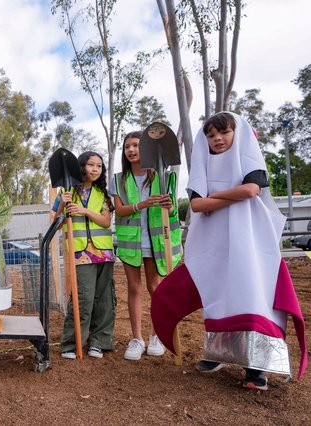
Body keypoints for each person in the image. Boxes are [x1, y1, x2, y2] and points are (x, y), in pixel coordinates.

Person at [151, 112, 307, 391]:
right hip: (216, 244)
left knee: (251, 296)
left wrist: (215, 197)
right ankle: (217, 353)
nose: (217, 139)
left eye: (224, 133)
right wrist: (223, 196)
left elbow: (251, 190)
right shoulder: (205, 166)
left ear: (238, 134)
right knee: (219, 296)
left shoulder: (249, 160)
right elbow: (197, 206)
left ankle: (255, 368)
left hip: (250, 243)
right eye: (210, 135)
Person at [110, 131, 182, 361]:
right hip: (131, 241)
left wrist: (169, 206)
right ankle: (137, 338)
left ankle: (156, 336)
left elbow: (171, 211)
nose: (131, 150)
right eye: (127, 147)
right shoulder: (118, 179)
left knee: (155, 287)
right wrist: (142, 203)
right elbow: (119, 210)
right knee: (134, 288)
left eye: (136, 145)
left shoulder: (163, 177)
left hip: (155, 239)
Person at [53, 151, 116, 360]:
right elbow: (54, 218)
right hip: (81, 252)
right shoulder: (67, 191)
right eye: (91, 165)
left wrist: (85, 211)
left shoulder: (102, 194)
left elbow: (106, 222)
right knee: (83, 298)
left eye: (99, 166)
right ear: (81, 167)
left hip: (104, 252)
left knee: (104, 300)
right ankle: (72, 343)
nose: (95, 169)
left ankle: (99, 342)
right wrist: (63, 203)